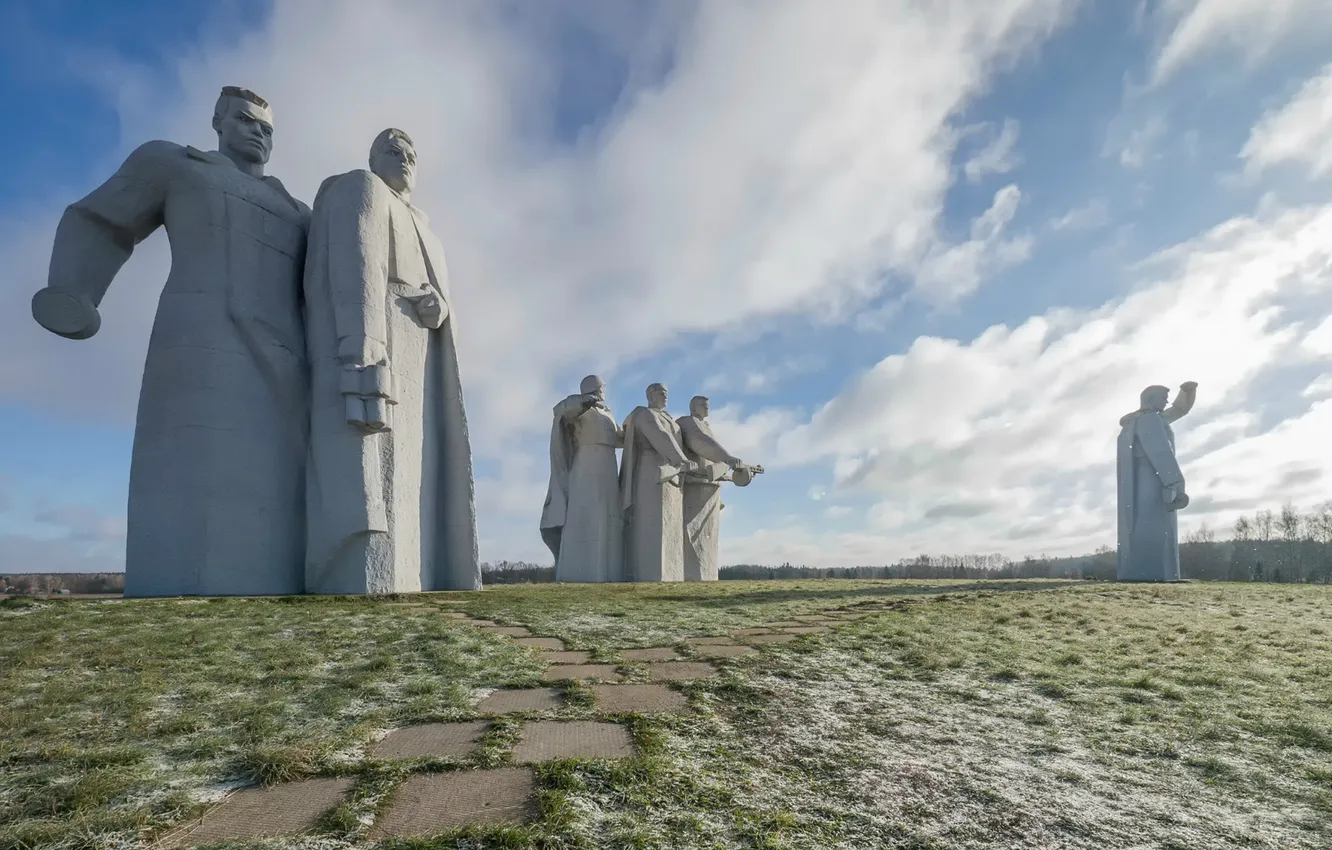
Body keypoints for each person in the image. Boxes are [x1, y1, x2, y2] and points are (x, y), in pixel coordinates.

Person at [31, 86, 310, 597]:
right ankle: (183, 579)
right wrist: (73, 290)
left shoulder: (296, 209)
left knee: (279, 476)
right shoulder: (177, 164)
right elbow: (102, 220)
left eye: (268, 128)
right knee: (195, 465)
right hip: (199, 335)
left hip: (287, 354)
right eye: (247, 121)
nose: (259, 133)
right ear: (218, 122)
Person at [303, 128, 479, 594]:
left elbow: (443, 299)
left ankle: (415, 569)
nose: (403, 159)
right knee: (373, 457)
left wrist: (441, 309)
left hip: (421, 350)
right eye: (392, 150)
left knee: (417, 469)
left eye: (410, 155)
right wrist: (361, 341)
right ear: (373, 157)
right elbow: (352, 264)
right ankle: (366, 572)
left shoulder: (429, 231)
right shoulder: (361, 187)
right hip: (380, 334)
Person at [540, 375, 625, 582]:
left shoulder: (607, 413)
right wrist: (582, 402)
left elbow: (617, 438)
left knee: (608, 513)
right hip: (586, 463)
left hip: (608, 462)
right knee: (587, 512)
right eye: (602, 386)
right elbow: (561, 411)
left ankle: (609, 571)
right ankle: (580, 569)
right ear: (594, 387)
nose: (604, 390)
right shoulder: (578, 405)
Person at [1116, 381, 1198, 582]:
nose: (1167, 401)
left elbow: (1178, 410)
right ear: (1150, 400)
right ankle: (1153, 572)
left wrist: (1187, 392)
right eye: (1163, 398)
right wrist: (1175, 484)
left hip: (1145, 479)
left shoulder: (1141, 420)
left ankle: (1144, 571)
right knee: (1155, 523)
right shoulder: (1149, 420)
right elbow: (1160, 452)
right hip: (1153, 478)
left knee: (1148, 524)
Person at [620, 383, 697, 582]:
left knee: (671, 523)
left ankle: (672, 574)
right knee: (652, 522)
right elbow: (659, 436)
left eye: (666, 393)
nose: (665, 396)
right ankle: (650, 573)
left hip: (674, 471)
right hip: (651, 469)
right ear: (650, 395)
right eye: (660, 393)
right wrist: (680, 459)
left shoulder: (669, 418)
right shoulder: (643, 414)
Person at [677, 395, 760, 581]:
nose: (707, 409)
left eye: (708, 406)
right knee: (693, 535)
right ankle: (692, 576)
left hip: (709, 486)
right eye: (703, 406)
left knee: (707, 539)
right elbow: (700, 443)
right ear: (693, 408)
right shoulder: (689, 423)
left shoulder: (705, 426)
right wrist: (728, 459)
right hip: (696, 485)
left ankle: (705, 577)